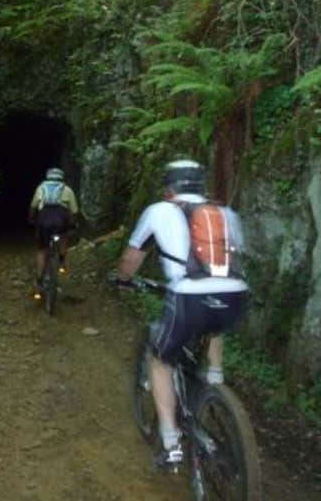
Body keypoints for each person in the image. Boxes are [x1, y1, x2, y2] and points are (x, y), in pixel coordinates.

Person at [115, 159, 248, 467]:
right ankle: (215, 380)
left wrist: (122, 280)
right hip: (235, 295)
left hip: (188, 297)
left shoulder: (159, 211)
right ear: (201, 187)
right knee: (215, 322)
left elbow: (132, 257)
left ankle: (171, 439)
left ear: (169, 188)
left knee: (160, 361)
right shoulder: (225, 213)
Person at [28, 167, 79, 291]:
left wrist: (31, 219)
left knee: (42, 250)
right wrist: (73, 223)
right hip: (60, 220)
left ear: (48, 177)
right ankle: (61, 261)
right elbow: (75, 211)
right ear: (62, 178)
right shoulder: (67, 189)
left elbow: (33, 206)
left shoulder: (41, 188)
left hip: (44, 220)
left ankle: (39, 280)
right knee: (63, 236)